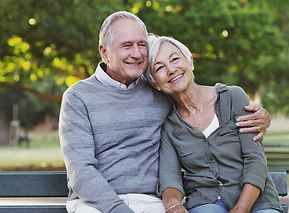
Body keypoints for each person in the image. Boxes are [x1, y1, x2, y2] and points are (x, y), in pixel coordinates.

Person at [58, 11, 271, 213]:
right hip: (96, 205)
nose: (137, 53)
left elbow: (197, 97)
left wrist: (261, 117)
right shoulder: (78, 97)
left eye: (142, 45)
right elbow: (81, 171)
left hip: (151, 202)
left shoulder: (159, 88)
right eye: (126, 46)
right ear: (104, 52)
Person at [144, 34, 283, 213]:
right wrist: (174, 205)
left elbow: (255, 160)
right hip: (205, 203)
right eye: (160, 67)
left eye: (175, 59)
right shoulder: (169, 125)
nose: (171, 69)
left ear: (190, 62)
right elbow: (170, 177)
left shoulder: (233, 97)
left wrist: (241, 209)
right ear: (155, 83)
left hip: (257, 202)